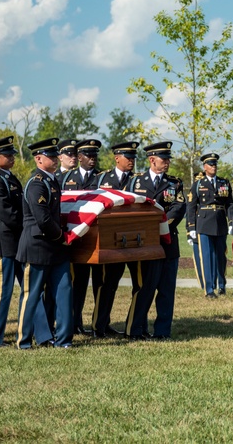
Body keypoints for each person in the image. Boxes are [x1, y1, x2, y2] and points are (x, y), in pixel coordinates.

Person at [0, 136, 50, 348]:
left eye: (12, 153)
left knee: (32, 290)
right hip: (4, 241)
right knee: (4, 292)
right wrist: (27, 227)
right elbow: (7, 214)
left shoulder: (10, 178)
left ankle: (43, 335)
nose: (12, 157)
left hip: (20, 241)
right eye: (7, 154)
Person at [16, 137, 73, 349]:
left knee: (64, 290)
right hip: (37, 246)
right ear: (39, 159)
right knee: (31, 295)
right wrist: (61, 236)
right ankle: (23, 340)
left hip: (55, 247)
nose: (56, 159)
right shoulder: (36, 183)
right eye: (50, 156)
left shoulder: (51, 180)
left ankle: (64, 339)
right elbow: (42, 219)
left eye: (56, 155)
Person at [126, 141, 185, 340]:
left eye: (169, 159)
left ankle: (162, 331)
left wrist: (163, 226)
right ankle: (137, 329)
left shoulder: (174, 183)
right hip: (144, 243)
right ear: (152, 160)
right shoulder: (136, 182)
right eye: (164, 159)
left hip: (168, 242)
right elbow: (129, 206)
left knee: (166, 290)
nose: (167, 162)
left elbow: (178, 208)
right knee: (144, 288)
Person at [90, 140, 138, 338]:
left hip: (132, 238)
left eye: (134, 158)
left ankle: (115, 325)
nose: (132, 162)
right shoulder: (102, 179)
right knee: (105, 284)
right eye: (128, 158)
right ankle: (99, 325)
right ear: (117, 158)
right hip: (109, 240)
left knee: (123, 284)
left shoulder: (138, 180)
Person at [59, 138, 102, 336]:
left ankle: (97, 323)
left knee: (95, 284)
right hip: (75, 239)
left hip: (97, 238)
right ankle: (74, 321)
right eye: (88, 155)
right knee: (76, 283)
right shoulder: (67, 177)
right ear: (80, 157)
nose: (92, 159)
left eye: (95, 156)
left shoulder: (102, 178)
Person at [188, 152, 233, 300]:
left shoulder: (223, 183)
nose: (214, 167)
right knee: (206, 257)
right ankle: (209, 289)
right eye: (210, 164)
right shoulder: (198, 184)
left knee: (221, 256)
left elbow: (230, 204)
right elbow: (191, 207)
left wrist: (231, 221)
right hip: (204, 223)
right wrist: (191, 228)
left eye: (215, 164)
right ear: (204, 166)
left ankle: (221, 285)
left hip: (220, 222)